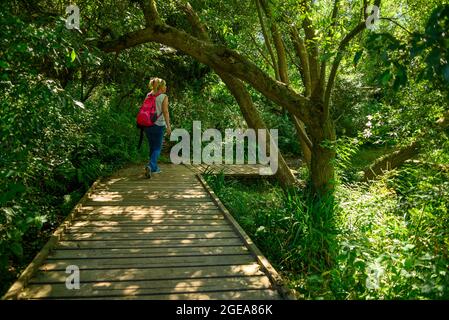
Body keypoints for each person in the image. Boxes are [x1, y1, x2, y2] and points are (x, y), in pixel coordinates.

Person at [144, 78, 172, 178]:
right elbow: (165, 111)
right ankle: (150, 166)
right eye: (165, 85)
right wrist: (168, 126)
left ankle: (154, 168)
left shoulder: (148, 95)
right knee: (157, 148)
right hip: (158, 125)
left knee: (152, 147)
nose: (166, 87)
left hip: (147, 124)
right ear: (161, 87)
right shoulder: (163, 96)